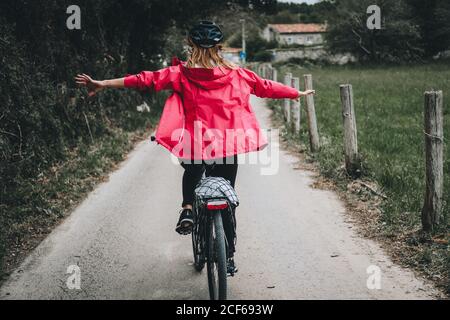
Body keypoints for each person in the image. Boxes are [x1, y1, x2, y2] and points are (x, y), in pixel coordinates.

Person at [75, 21, 315, 272]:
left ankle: (187, 209)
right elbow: (266, 88)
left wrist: (103, 83)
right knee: (228, 200)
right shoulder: (238, 74)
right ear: (219, 47)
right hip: (227, 147)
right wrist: (295, 93)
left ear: (191, 45)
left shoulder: (179, 74)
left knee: (193, 169)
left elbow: (144, 80)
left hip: (193, 144)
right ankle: (228, 256)